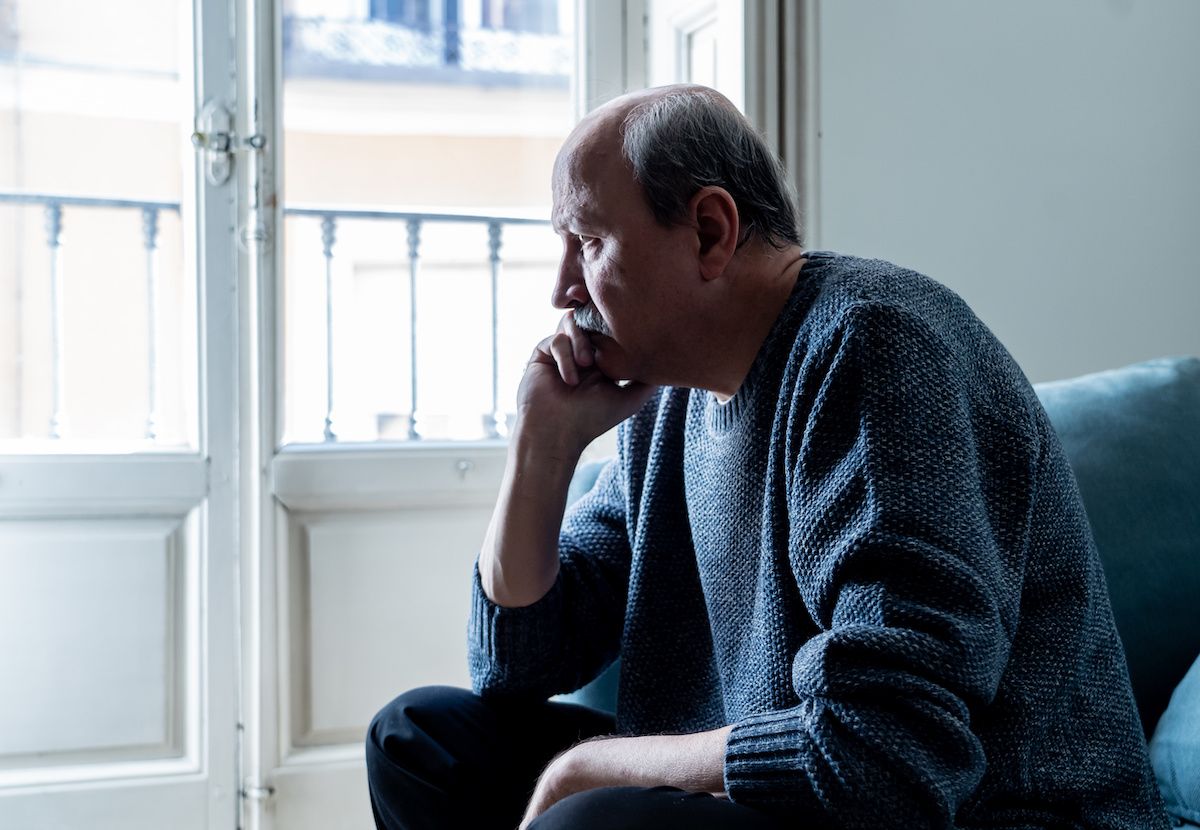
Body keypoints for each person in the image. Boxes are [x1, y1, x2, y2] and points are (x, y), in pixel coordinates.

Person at [365, 84, 1169, 829]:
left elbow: (886, 754)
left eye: (589, 240)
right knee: (420, 741)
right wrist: (540, 448)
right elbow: (513, 666)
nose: (563, 289)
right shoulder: (669, 397)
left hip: (973, 813)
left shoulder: (875, 348)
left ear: (710, 232)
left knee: (592, 818)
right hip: (781, 790)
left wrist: (591, 769)